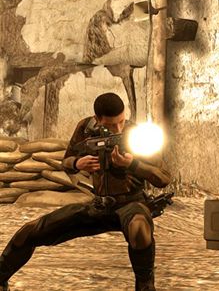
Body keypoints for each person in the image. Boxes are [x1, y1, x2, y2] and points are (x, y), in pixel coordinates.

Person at [0, 93, 171, 291]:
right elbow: (66, 161)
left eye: (121, 122)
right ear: (97, 119)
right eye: (111, 125)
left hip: (131, 205)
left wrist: (132, 165)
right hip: (97, 207)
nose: (118, 129)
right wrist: (77, 163)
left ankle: (145, 286)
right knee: (29, 232)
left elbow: (163, 178)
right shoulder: (86, 129)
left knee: (139, 228)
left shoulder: (137, 135)